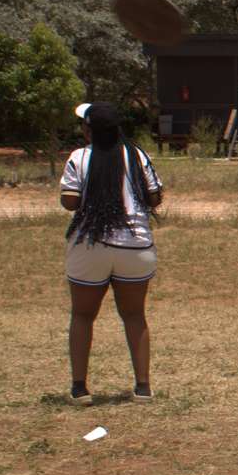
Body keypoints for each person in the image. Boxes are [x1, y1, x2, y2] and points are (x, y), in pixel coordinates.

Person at [61, 102, 164, 405]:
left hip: (90, 244)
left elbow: (69, 201)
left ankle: (80, 388)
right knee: (134, 315)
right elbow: (154, 197)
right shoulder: (137, 155)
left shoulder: (79, 157)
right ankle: (143, 387)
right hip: (135, 246)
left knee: (82, 315)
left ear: (88, 130)